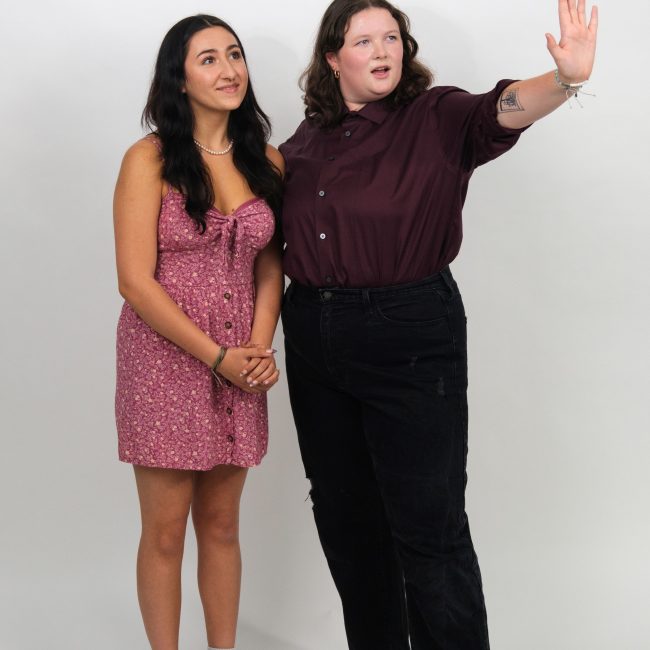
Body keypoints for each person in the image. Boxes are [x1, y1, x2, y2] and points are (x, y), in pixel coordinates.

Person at [279, 0, 598, 648]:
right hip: (313, 336)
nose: (382, 50)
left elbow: (500, 110)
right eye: (363, 40)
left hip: (409, 333)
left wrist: (564, 79)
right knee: (347, 523)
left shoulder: (436, 116)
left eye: (391, 37)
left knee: (429, 529)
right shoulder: (303, 143)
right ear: (333, 57)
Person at [113, 15, 284, 650]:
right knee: (164, 534)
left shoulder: (266, 160)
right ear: (179, 79)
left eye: (234, 54)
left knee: (222, 526)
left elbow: (272, 267)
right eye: (208, 59)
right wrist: (217, 357)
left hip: (241, 362)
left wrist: (257, 350)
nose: (229, 69)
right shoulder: (149, 159)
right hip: (165, 363)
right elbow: (135, 281)